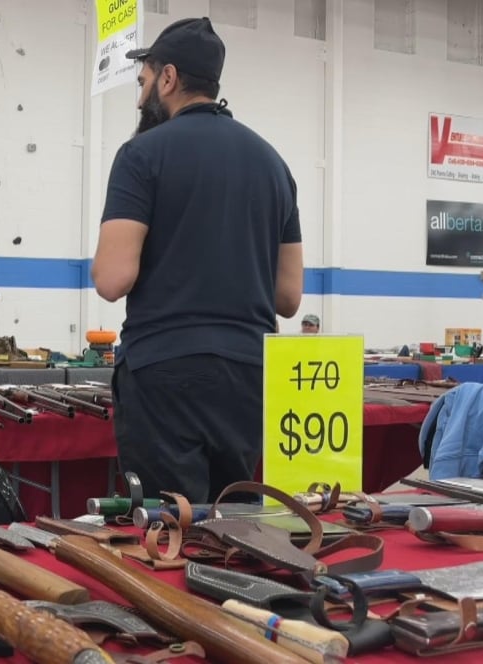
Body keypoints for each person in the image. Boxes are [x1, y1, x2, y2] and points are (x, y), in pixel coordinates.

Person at [90, 17, 304, 503]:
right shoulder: (274, 164)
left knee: (169, 534)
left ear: (168, 78)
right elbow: (288, 298)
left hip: (165, 375)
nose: (139, 96)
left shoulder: (141, 156)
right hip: (247, 375)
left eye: (143, 82)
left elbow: (112, 279)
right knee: (236, 528)